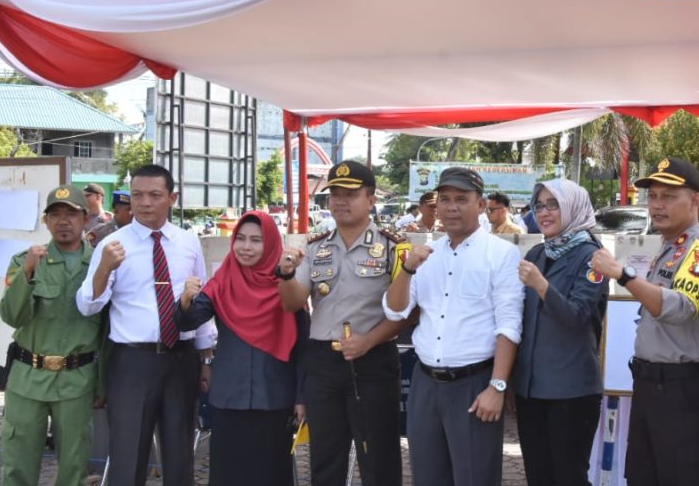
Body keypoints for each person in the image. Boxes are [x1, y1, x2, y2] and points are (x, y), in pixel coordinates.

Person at [590, 157, 699, 486]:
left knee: (685, 477)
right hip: (651, 385)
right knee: (643, 476)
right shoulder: (671, 248)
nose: (657, 205)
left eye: (669, 196)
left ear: (695, 200)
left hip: (682, 390)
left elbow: (680, 308)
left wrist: (623, 275)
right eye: (652, 197)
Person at [76, 164, 216, 486]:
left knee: (180, 455)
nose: (144, 203)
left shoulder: (188, 242)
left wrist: (206, 357)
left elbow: (201, 304)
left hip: (181, 359)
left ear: (172, 198)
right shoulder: (113, 245)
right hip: (132, 362)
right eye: (137, 195)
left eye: (154, 195)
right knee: (128, 456)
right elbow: (87, 305)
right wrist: (103, 270)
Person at [384, 167, 524, 486]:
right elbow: (395, 311)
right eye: (444, 199)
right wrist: (406, 270)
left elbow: (509, 324)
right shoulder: (426, 256)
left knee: (475, 477)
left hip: (474, 384)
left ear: (481, 204)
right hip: (425, 382)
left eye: (461, 199)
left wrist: (498, 386)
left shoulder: (501, 253)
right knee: (428, 476)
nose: (451, 207)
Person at [278, 161, 411, 486]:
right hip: (323, 362)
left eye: (350, 194)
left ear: (370, 199)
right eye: (335, 193)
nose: (340, 200)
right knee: (325, 458)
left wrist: (369, 340)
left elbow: (403, 312)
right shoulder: (314, 246)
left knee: (378, 458)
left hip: (373, 361)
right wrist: (284, 274)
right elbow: (293, 302)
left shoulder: (396, 247)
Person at [175, 210, 307, 485]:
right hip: (228, 398)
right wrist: (186, 300)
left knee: (271, 474)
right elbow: (189, 321)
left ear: (270, 243)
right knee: (228, 474)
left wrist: (301, 397)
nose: (246, 247)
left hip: (274, 397)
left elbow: (303, 348)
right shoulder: (223, 280)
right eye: (241, 239)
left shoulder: (287, 284)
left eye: (256, 240)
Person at [0, 186, 102, 486]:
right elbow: (11, 316)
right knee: (18, 463)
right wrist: (28, 274)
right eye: (55, 214)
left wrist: (104, 383)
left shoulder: (99, 265)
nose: (63, 221)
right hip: (27, 379)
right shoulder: (25, 260)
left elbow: (108, 329)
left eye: (71, 213)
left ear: (85, 218)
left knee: (73, 465)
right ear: (45, 221)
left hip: (77, 381)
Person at [514, 179, 609, 486]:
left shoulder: (593, 257)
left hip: (571, 390)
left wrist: (542, 286)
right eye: (539, 205)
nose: (544, 212)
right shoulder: (537, 253)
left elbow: (578, 317)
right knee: (539, 476)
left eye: (553, 204)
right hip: (532, 389)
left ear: (572, 207)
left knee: (568, 476)